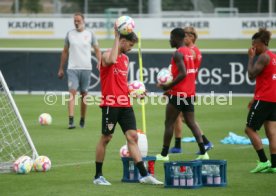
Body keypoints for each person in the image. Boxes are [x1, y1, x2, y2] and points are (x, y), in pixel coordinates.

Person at [93, 26, 163, 185]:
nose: (131, 48)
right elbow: (111, 60)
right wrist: (116, 37)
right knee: (107, 137)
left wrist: (136, 92)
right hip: (111, 105)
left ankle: (144, 175)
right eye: (130, 45)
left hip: (125, 105)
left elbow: (122, 83)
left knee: (133, 136)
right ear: (122, 41)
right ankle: (98, 176)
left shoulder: (125, 59)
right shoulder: (105, 55)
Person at [156, 28, 209, 161]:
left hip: (178, 94)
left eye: (171, 37)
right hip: (189, 93)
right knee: (191, 123)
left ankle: (163, 155)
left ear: (177, 38)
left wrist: (167, 86)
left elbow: (183, 73)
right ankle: (203, 153)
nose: (169, 40)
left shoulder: (178, 53)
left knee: (169, 123)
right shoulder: (189, 52)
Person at [169, 26, 213, 154]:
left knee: (186, 119)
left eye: (186, 35)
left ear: (192, 37)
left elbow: (185, 72)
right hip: (187, 88)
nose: (184, 37)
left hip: (184, 89)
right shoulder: (192, 51)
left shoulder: (191, 52)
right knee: (179, 117)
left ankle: (205, 142)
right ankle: (178, 145)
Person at [58, 12, 101, 129]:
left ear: (83, 21)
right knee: (72, 93)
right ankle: (71, 121)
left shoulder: (90, 34)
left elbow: (97, 49)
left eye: (78, 21)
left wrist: (100, 62)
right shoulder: (69, 34)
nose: (76, 23)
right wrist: (61, 68)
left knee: (84, 95)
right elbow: (65, 51)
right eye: (75, 21)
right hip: (72, 68)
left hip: (86, 69)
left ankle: (82, 119)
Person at [245, 28, 276, 173]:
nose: (253, 48)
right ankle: (275, 165)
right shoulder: (273, 56)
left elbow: (251, 75)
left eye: (254, 45)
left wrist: (250, 58)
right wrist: (253, 98)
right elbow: (268, 81)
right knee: (271, 132)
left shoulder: (263, 57)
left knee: (249, 129)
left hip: (264, 99)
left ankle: (263, 161)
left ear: (262, 43)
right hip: (273, 99)